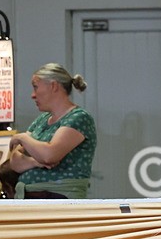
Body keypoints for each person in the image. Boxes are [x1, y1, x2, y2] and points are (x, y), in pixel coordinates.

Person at [7, 63, 97, 199]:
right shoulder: (42, 119)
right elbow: (15, 161)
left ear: (53, 86)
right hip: (30, 199)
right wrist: (36, 162)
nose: (33, 95)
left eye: (36, 87)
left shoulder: (79, 117)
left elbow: (49, 155)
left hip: (59, 199)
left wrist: (23, 138)